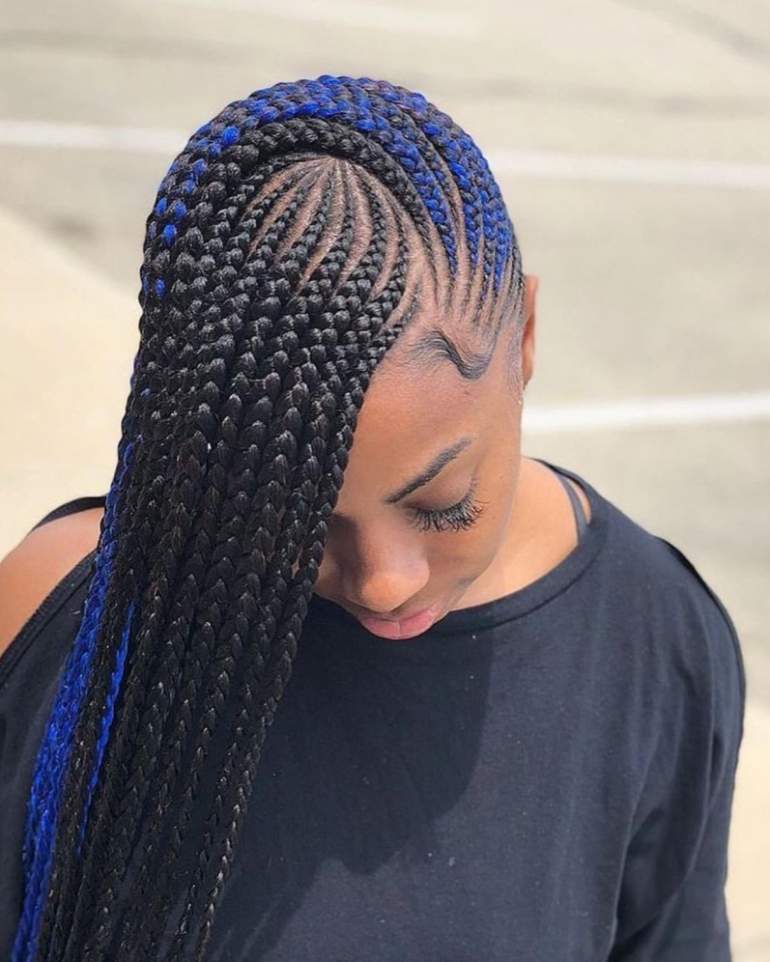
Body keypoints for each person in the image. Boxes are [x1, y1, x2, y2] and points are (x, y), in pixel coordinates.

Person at [0, 75, 745, 962]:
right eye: (296, 519)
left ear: (525, 336)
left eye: (442, 502)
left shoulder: (653, 640)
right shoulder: (72, 622)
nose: (385, 583)